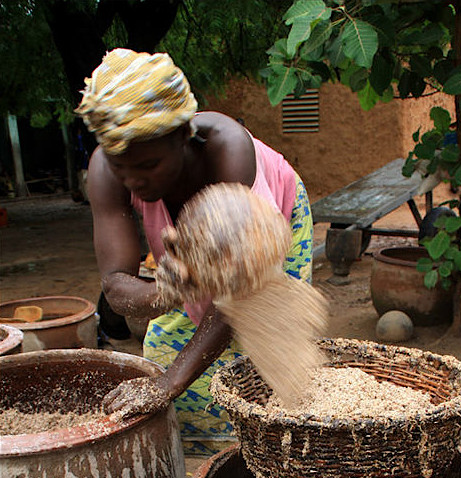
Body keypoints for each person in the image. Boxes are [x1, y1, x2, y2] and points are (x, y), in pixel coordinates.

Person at [76, 48, 314, 455]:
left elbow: (241, 294)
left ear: (184, 135)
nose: (134, 180)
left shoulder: (229, 152)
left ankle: (267, 458)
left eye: (149, 165)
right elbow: (116, 287)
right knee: (167, 357)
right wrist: (167, 291)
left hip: (265, 231)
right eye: (122, 167)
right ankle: (207, 466)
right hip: (191, 257)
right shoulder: (107, 169)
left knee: (264, 368)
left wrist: (170, 382)